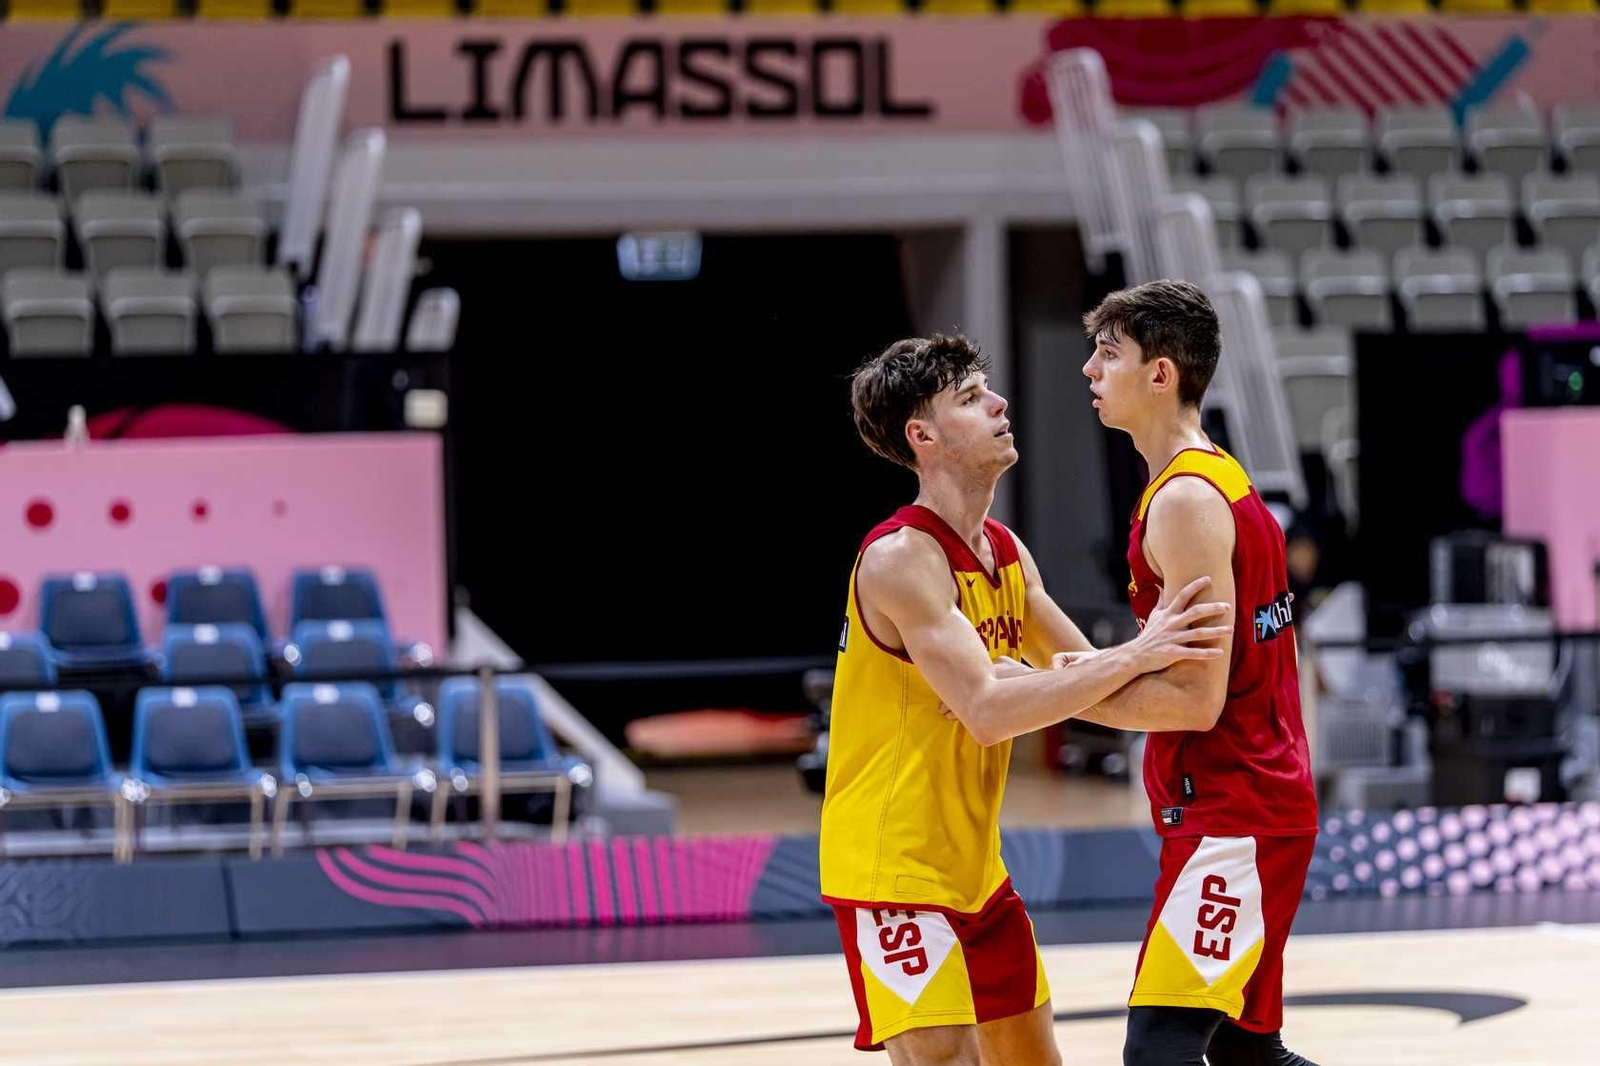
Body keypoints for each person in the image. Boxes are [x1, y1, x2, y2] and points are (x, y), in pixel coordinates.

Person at [819, 332, 1234, 1065]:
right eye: (971, 398)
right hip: (892, 869)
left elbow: (1093, 675)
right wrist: (1122, 657)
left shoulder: (1007, 552)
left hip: (975, 868)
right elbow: (987, 712)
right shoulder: (899, 559)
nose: (999, 403)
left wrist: (1207, 688)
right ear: (923, 435)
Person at [1072, 279, 1322, 1066]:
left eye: (1108, 354)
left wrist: (1066, 694)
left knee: (1160, 1053)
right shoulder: (1221, 477)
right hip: (1256, 804)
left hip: (1233, 813)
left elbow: (1194, 700)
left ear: (1161, 375)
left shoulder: (1184, 501)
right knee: (1250, 1056)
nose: (1088, 370)